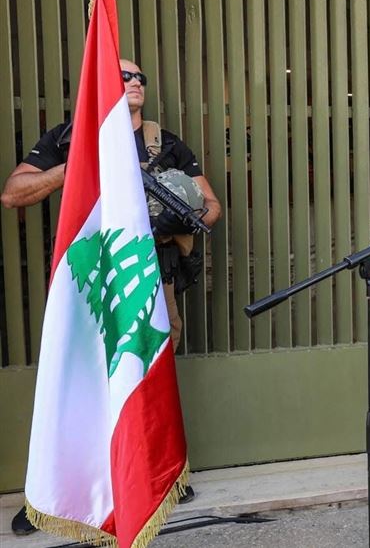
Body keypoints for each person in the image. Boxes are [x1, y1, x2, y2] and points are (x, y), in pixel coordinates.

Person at [2, 58, 220, 534]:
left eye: (141, 77)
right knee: (81, 381)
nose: (136, 82)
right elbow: (13, 193)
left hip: (146, 278)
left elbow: (211, 207)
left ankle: (156, 478)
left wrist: (178, 220)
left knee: (145, 375)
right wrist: (75, 166)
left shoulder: (165, 144)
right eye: (125, 76)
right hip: (88, 287)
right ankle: (58, 496)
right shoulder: (67, 138)